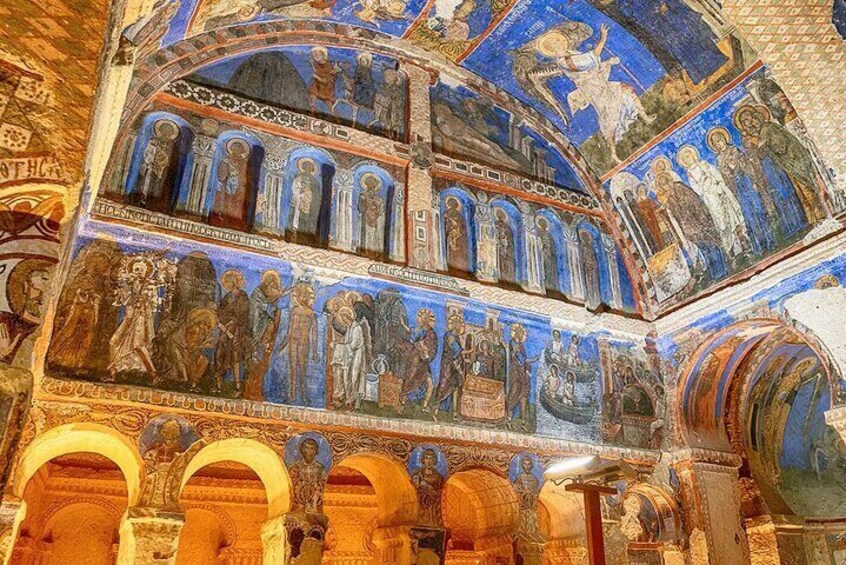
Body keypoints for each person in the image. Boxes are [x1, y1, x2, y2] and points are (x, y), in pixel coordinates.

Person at [519, 23, 654, 162]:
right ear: (553, 52)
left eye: (559, 42)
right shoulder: (565, 61)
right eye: (555, 47)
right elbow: (592, 58)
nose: (559, 46)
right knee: (610, 118)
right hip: (593, 89)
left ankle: (645, 117)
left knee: (627, 89)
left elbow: (591, 68)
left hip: (599, 82)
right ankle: (613, 153)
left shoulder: (572, 54)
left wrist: (608, 62)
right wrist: (603, 38)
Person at [735, 104, 827, 226]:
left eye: (748, 118)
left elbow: (780, 147)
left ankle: (822, 216)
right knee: (799, 192)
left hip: (793, 160)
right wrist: (751, 143)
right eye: (743, 122)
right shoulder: (759, 133)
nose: (747, 123)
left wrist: (756, 142)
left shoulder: (768, 128)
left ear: (755, 116)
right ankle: (814, 220)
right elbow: (761, 154)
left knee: (806, 188)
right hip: (786, 165)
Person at [707, 126, 776, 255]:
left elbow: (746, 164)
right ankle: (760, 246)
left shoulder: (734, 149)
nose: (719, 143)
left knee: (759, 210)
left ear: (725, 139)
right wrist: (731, 170)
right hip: (737, 187)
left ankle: (771, 240)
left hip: (747, 181)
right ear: (715, 146)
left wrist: (753, 181)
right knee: (749, 216)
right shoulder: (719, 159)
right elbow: (725, 175)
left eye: (720, 140)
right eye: (716, 143)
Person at [677, 144, 747, 262]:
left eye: (690, 155)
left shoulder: (705, 163)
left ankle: (744, 246)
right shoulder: (690, 174)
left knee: (733, 219)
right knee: (722, 224)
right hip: (711, 199)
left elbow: (717, 175)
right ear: (684, 162)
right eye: (686, 158)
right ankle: (731, 254)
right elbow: (698, 190)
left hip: (722, 192)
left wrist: (719, 185)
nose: (690, 158)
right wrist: (706, 180)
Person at [244, 270, 285, 400]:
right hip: (256, 332)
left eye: (274, 285)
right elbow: (256, 310)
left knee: (262, 363)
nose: (273, 287)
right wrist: (272, 302)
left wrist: (274, 302)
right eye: (270, 284)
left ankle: (257, 390)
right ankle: (249, 390)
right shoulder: (257, 294)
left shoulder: (271, 298)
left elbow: (272, 311)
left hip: (266, 334)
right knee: (254, 362)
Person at [279, 284, 319, 405]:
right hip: (293, 342)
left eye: (306, 295)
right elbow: (290, 330)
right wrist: (282, 345)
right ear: (298, 296)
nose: (303, 297)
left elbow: (314, 334)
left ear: (309, 298)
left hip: (304, 343)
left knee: (302, 370)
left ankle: (304, 396)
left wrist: (315, 351)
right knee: (292, 370)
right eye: (301, 295)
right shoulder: (294, 311)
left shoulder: (311, 313)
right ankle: (291, 395)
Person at [214, 270, 250, 393]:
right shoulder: (227, 297)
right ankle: (218, 385)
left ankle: (238, 386)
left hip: (237, 332)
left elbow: (243, 314)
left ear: (236, 282)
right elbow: (220, 311)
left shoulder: (243, 296)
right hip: (225, 331)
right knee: (219, 353)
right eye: (227, 282)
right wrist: (223, 322)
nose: (228, 285)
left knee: (236, 357)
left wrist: (232, 321)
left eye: (231, 282)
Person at [132, 119, 179, 213]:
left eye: (168, 131)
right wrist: (149, 160)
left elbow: (174, 160)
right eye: (164, 130)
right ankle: (143, 201)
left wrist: (165, 162)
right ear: (160, 131)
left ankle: (157, 204)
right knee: (146, 183)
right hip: (151, 166)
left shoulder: (173, 145)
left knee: (160, 187)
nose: (166, 133)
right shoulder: (153, 141)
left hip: (164, 170)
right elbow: (147, 153)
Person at [210, 138, 252, 231]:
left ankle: (235, 221)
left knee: (238, 203)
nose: (238, 150)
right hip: (227, 185)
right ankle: (221, 218)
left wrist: (241, 180)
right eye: (236, 147)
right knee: (226, 199)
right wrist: (228, 175)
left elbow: (246, 177)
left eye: (240, 148)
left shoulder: (244, 163)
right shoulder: (226, 160)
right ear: (232, 149)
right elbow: (221, 173)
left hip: (239, 187)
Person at [431, 314, 465, 421]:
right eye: (457, 323)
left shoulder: (457, 336)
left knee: (455, 387)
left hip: (455, 365)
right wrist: (468, 351)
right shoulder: (449, 335)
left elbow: (458, 353)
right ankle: (435, 411)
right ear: (453, 324)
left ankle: (454, 413)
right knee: (443, 386)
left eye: (460, 324)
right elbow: (456, 349)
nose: (459, 325)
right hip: (448, 365)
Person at [506, 323, 538, 430]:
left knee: (523, 397)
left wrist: (528, 370)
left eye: (522, 333)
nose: (521, 334)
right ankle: (509, 419)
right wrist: (532, 360)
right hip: (516, 373)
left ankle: (523, 423)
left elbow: (524, 361)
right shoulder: (513, 343)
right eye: (519, 332)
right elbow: (520, 359)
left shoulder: (521, 345)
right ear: (515, 333)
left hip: (523, 375)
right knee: (514, 394)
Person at [289, 437, 328, 513]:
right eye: (306, 448)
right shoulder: (295, 467)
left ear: (315, 451)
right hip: (298, 506)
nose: (309, 451)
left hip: (315, 505)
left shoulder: (320, 468)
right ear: (302, 450)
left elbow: (324, 486)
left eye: (312, 449)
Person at [288, 158, 321, 243]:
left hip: (309, 203)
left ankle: (306, 236)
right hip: (299, 201)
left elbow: (317, 193)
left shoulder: (314, 181)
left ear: (312, 169)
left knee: (308, 219)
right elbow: (295, 188)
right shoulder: (299, 177)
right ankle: (294, 235)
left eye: (309, 167)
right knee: (297, 217)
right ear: (303, 167)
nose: (308, 168)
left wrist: (310, 193)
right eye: (306, 166)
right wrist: (301, 192)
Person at [410, 448, 444, 527]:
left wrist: (428, 488)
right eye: (426, 458)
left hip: (432, 511)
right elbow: (412, 490)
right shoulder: (417, 473)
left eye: (430, 459)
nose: (428, 461)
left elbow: (440, 494)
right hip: (419, 509)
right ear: (423, 460)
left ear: (434, 461)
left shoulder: (439, 477)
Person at [357, 173, 386, 259]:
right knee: (367, 235)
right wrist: (364, 201)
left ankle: (376, 254)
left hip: (376, 220)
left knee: (375, 236)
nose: (372, 186)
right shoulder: (363, 195)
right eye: (370, 184)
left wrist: (378, 205)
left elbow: (382, 210)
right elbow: (361, 209)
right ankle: (365, 252)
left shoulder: (379, 198)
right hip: (366, 219)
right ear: (367, 185)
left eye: (374, 184)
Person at [443, 197, 470, 275]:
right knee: (450, 247)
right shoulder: (446, 213)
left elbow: (462, 227)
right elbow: (445, 223)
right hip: (450, 233)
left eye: (454, 204)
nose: (453, 205)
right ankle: (449, 262)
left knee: (457, 249)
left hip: (458, 235)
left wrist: (456, 226)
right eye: (451, 203)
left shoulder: (460, 216)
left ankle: (459, 265)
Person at [494, 209, 517, 285]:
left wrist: (507, 244)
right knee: (499, 262)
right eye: (500, 215)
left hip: (507, 248)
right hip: (498, 247)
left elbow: (510, 238)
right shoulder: (495, 224)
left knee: (508, 263)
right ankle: (499, 277)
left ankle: (508, 278)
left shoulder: (508, 227)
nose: (502, 216)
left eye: (503, 215)